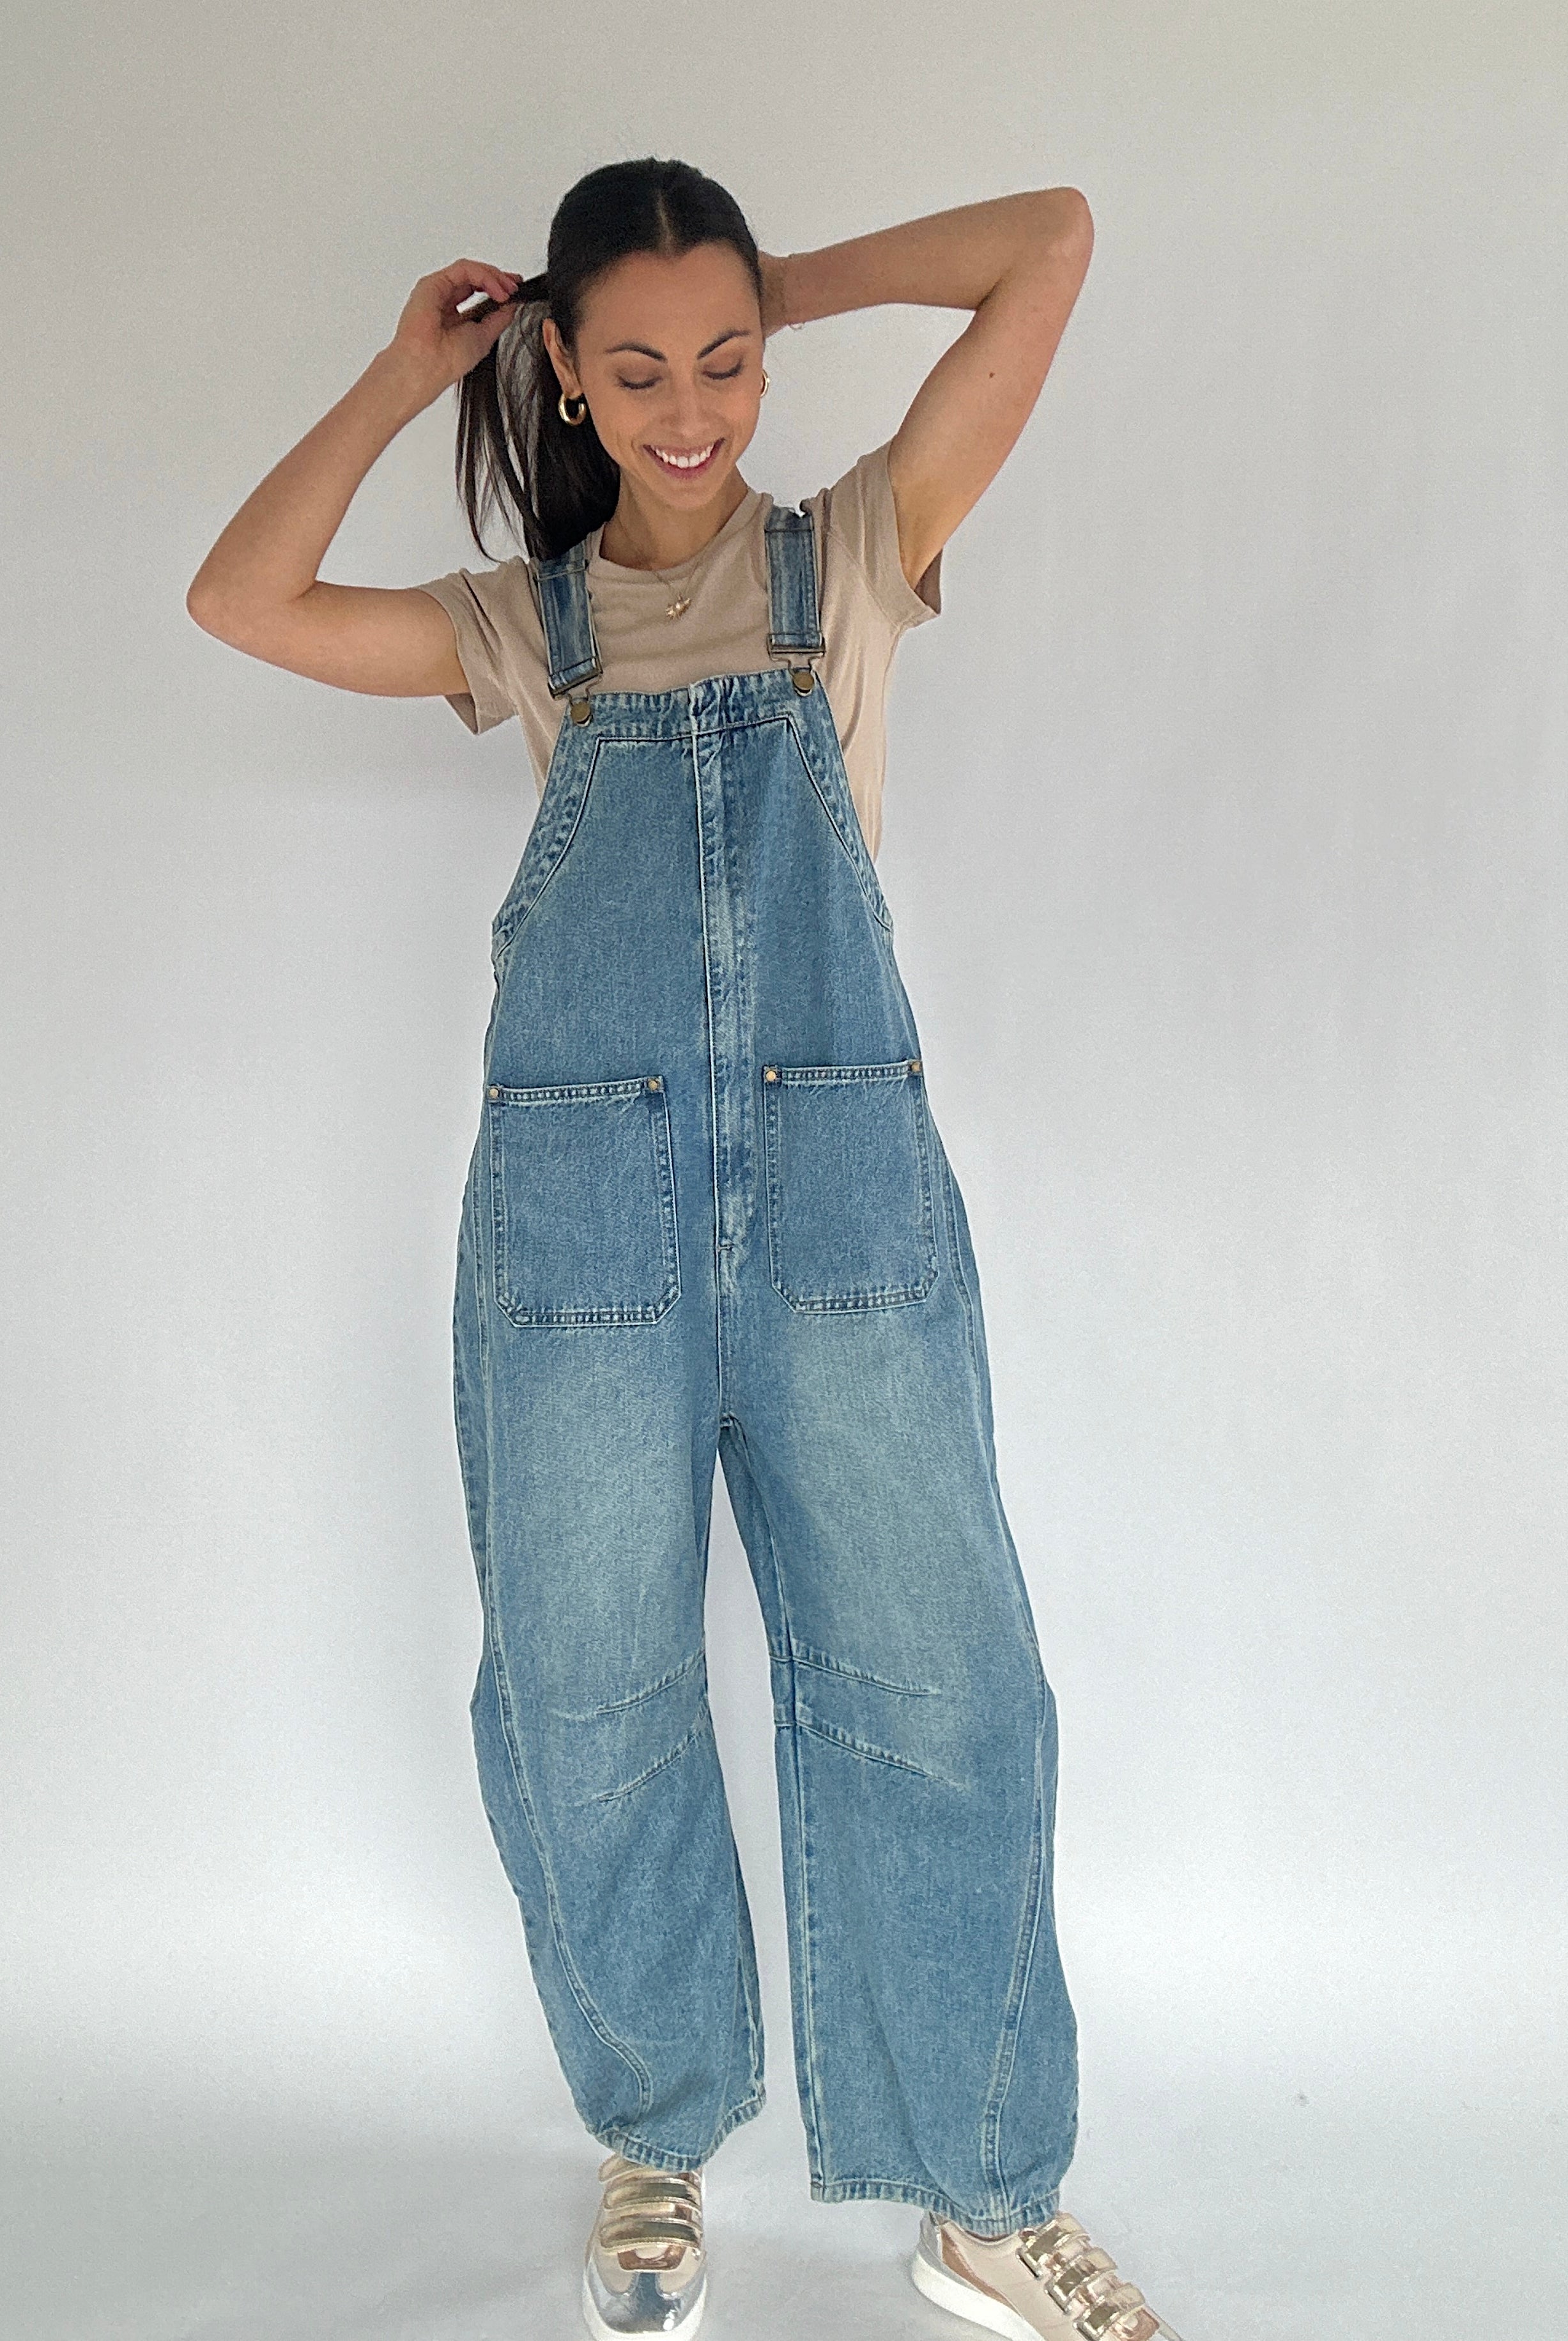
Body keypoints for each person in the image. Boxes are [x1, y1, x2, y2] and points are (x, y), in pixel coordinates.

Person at [188, 155, 1185, 2341]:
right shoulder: (521, 625)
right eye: (632, 365)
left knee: (952, 1687)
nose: (692, 405)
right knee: (582, 1692)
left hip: (843, 1205)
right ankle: (659, 2131)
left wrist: (782, 287)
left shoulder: (860, 556)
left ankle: (985, 2196)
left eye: (723, 359)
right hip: (582, 1232)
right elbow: (240, 602)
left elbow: (1052, 241)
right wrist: (393, 378)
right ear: (562, 366)